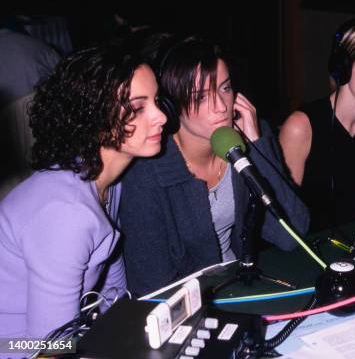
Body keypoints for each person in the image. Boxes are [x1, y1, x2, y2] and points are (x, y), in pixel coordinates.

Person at [119, 37, 310, 296]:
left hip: (240, 284)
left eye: (225, 88)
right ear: (171, 106)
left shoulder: (248, 140)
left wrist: (257, 146)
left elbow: (292, 235)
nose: (221, 107)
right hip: (189, 304)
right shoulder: (146, 172)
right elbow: (151, 288)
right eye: (200, 96)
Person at [0, 44, 167, 338]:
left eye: (156, 101)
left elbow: (112, 286)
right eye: (138, 107)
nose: (162, 117)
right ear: (94, 116)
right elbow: (50, 347)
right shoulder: (66, 212)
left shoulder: (105, 179)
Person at [279, 17, 355, 232]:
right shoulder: (300, 127)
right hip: (305, 252)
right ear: (343, 68)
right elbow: (286, 227)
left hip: (353, 251)